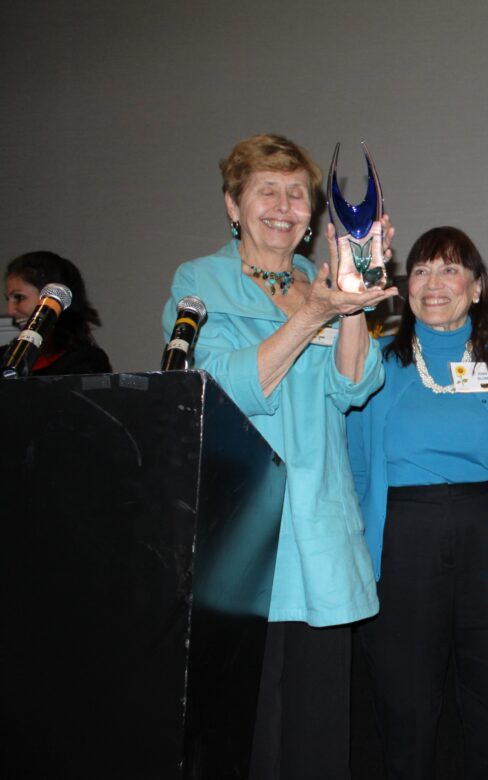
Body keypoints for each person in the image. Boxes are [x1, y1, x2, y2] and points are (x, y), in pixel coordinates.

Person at [162, 133, 394, 779]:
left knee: (320, 738)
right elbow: (222, 389)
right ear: (233, 205)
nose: (285, 206)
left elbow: (354, 385)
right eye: (268, 190)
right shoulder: (199, 282)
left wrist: (348, 302)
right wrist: (306, 317)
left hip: (318, 536)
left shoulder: (312, 281)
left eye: (298, 194)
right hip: (244, 543)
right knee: (251, 738)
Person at [346, 226, 488, 779]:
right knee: (404, 709)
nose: (433, 283)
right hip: (400, 546)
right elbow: (357, 466)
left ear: (476, 287)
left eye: (450, 269)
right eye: (422, 270)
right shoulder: (377, 361)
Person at [5, 251, 111, 375]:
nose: (10, 311)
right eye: (8, 299)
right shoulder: (5, 358)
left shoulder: (85, 360)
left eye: (19, 297)